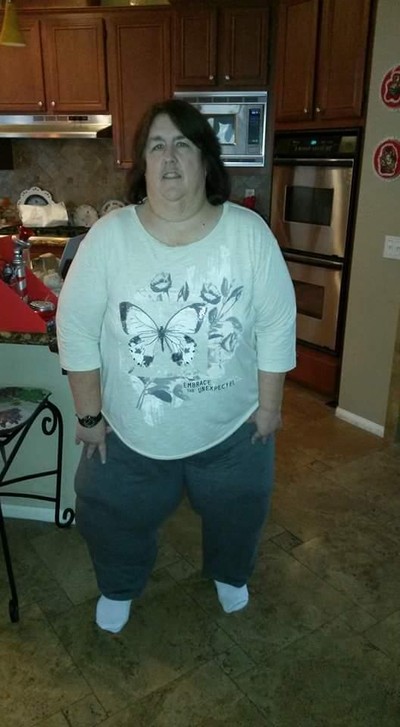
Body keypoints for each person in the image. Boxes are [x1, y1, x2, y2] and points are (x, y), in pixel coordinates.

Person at [56, 99, 296, 634]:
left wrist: (270, 407)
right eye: (156, 146)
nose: (169, 157)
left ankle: (231, 573)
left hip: (232, 428)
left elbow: (277, 324)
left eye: (183, 144)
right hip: (129, 430)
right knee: (102, 506)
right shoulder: (109, 236)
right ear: (142, 164)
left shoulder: (248, 233)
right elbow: (75, 328)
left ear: (205, 160)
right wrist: (89, 417)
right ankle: (119, 584)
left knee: (241, 506)